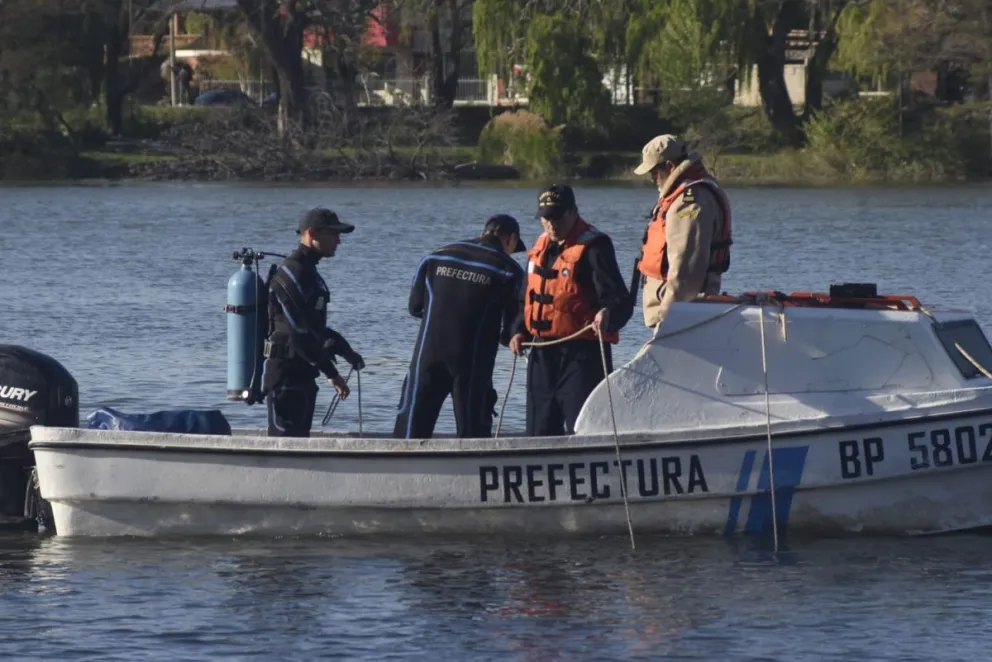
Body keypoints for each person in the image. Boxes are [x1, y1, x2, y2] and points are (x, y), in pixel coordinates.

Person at [509, 184, 633, 437]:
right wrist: (518, 330)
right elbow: (525, 297)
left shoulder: (595, 246)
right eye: (546, 219)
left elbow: (619, 300)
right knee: (538, 429)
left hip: (582, 356)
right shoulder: (541, 246)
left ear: (574, 212)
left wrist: (608, 314)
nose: (551, 226)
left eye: (558, 217)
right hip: (541, 354)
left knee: (584, 427)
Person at [394, 215, 526, 439]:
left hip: (427, 356)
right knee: (472, 435)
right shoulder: (509, 270)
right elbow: (510, 332)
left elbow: (415, 308)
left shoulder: (435, 257)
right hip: (472, 363)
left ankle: (398, 469)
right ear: (510, 239)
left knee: (410, 430)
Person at [263, 208, 365, 438]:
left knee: (300, 442)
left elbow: (314, 329)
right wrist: (332, 373)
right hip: (286, 377)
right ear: (312, 233)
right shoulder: (292, 274)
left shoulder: (309, 273)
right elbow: (298, 332)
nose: (339, 241)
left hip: (303, 376)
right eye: (333, 234)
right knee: (287, 449)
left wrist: (345, 351)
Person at [633, 134, 733, 328]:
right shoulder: (688, 192)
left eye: (654, 171)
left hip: (680, 316)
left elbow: (686, 270)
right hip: (682, 313)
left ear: (670, 166)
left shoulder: (689, 200)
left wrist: (668, 317)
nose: (652, 178)